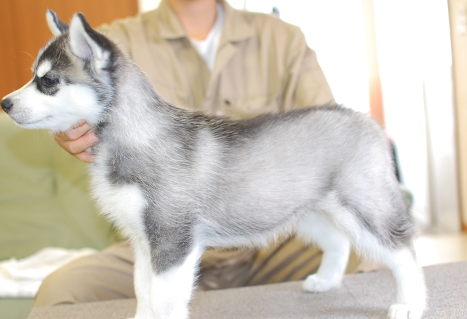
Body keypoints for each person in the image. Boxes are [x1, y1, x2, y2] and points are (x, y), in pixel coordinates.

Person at [35, 0, 358, 307]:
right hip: (160, 242)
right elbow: (69, 99)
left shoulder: (282, 38)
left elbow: (328, 139)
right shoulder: (115, 42)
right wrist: (67, 128)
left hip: (273, 239)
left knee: (375, 262)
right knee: (61, 291)